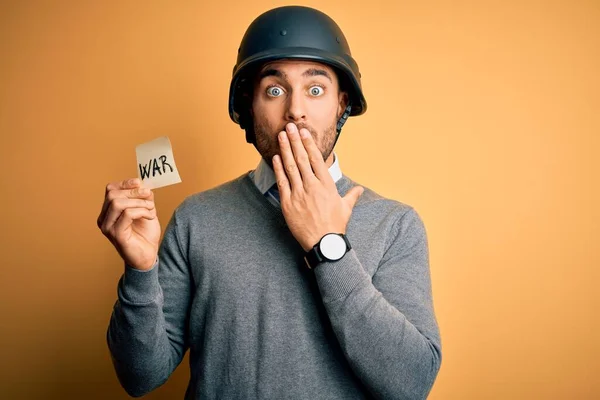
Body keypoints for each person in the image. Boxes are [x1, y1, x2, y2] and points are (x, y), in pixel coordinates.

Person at [98, 5, 441, 399]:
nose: (295, 110)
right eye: (274, 90)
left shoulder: (395, 225)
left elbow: (412, 384)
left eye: (316, 90)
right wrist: (140, 271)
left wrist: (329, 246)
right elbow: (140, 377)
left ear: (342, 104)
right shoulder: (196, 219)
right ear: (248, 107)